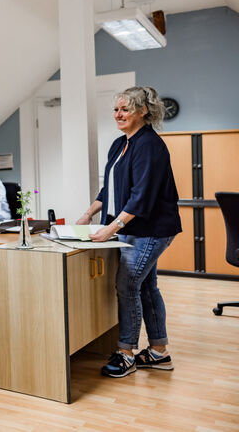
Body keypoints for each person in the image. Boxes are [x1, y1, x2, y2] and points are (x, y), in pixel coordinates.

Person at [76, 86, 181, 378]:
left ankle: (126, 353)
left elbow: (140, 196)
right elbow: (109, 188)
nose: (118, 115)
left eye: (125, 109)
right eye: (116, 110)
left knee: (127, 285)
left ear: (143, 111)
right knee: (146, 287)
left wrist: (110, 228)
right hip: (131, 227)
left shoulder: (150, 145)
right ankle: (159, 352)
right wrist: (88, 214)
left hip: (150, 229)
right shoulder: (119, 144)